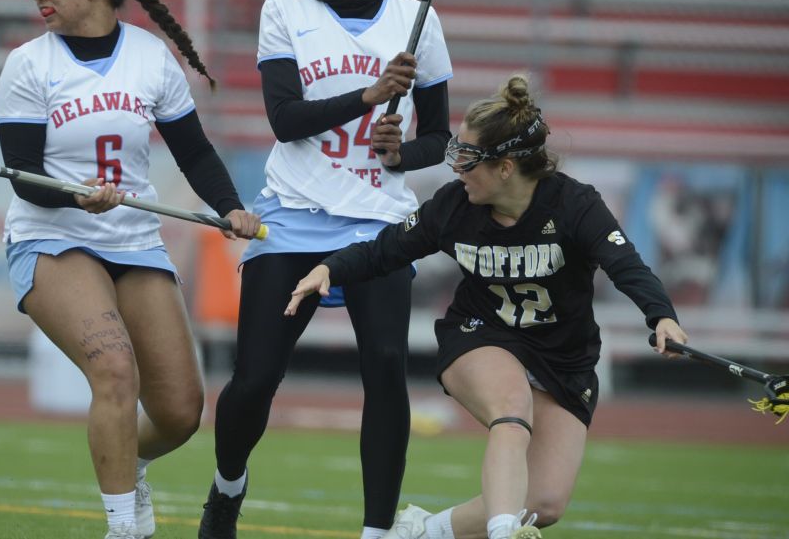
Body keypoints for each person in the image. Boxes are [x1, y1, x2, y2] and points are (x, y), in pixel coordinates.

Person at [286, 75, 689, 539]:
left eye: (469, 158)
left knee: (543, 503)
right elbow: (386, 249)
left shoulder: (575, 204)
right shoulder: (453, 206)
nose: (456, 167)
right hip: (480, 336)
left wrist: (662, 316)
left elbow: (626, 264)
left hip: (563, 357)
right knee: (511, 407)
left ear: (505, 168)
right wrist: (330, 269)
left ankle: (421, 532)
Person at [198, 0, 453, 539]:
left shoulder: (416, 20)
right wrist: (370, 96)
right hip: (294, 213)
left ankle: (376, 530)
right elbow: (285, 120)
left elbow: (441, 139)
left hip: (377, 220)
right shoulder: (284, 10)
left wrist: (402, 154)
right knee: (253, 378)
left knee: (387, 367)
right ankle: (227, 487)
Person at [0, 0, 262, 539]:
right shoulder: (27, 65)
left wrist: (230, 208)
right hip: (51, 235)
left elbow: (194, 151)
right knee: (114, 372)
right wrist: (74, 193)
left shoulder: (149, 56)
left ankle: (129, 462)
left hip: (133, 240)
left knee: (179, 412)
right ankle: (124, 529)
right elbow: (24, 177)